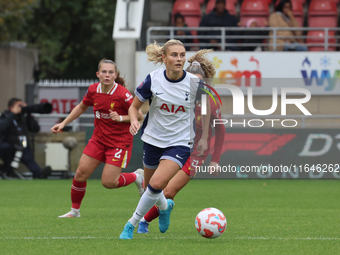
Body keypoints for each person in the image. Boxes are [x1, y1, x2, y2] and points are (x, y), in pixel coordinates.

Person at [119, 39, 211, 239]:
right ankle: (165, 207)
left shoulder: (195, 83)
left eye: (182, 55)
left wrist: (203, 137)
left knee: (157, 184)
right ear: (164, 58)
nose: (179, 59)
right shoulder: (153, 79)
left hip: (180, 142)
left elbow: (206, 109)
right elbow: (133, 107)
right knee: (150, 190)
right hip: (152, 140)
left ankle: (131, 224)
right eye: (174, 55)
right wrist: (133, 121)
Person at [136, 49, 226, 234]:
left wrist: (215, 159)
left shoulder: (209, 99)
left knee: (168, 192)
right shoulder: (176, 92)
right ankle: (155, 212)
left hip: (196, 152)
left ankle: (144, 221)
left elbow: (221, 130)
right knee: (154, 186)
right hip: (174, 143)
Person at [51, 59, 144, 218]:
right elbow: (81, 107)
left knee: (109, 183)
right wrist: (64, 123)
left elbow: (139, 115)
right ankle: (75, 211)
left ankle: (137, 176)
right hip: (99, 140)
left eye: (110, 72)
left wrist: (121, 118)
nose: (107, 75)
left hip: (119, 143)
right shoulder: (93, 90)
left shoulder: (122, 93)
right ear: (98, 74)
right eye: (104, 72)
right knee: (80, 173)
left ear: (115, 75)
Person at [0, 98, 51, 179]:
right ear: (11, 107)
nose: (21, 108)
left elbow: (36, 129)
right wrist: (12, 114)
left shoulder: (23, 118)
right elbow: (2, 127)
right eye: (19, 106)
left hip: (22, 147)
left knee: (29, 160)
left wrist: (29, 114)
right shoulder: (4, 116)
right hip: (9, 147)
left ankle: (40, 174)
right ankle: (7, 171)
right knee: (5, 148)